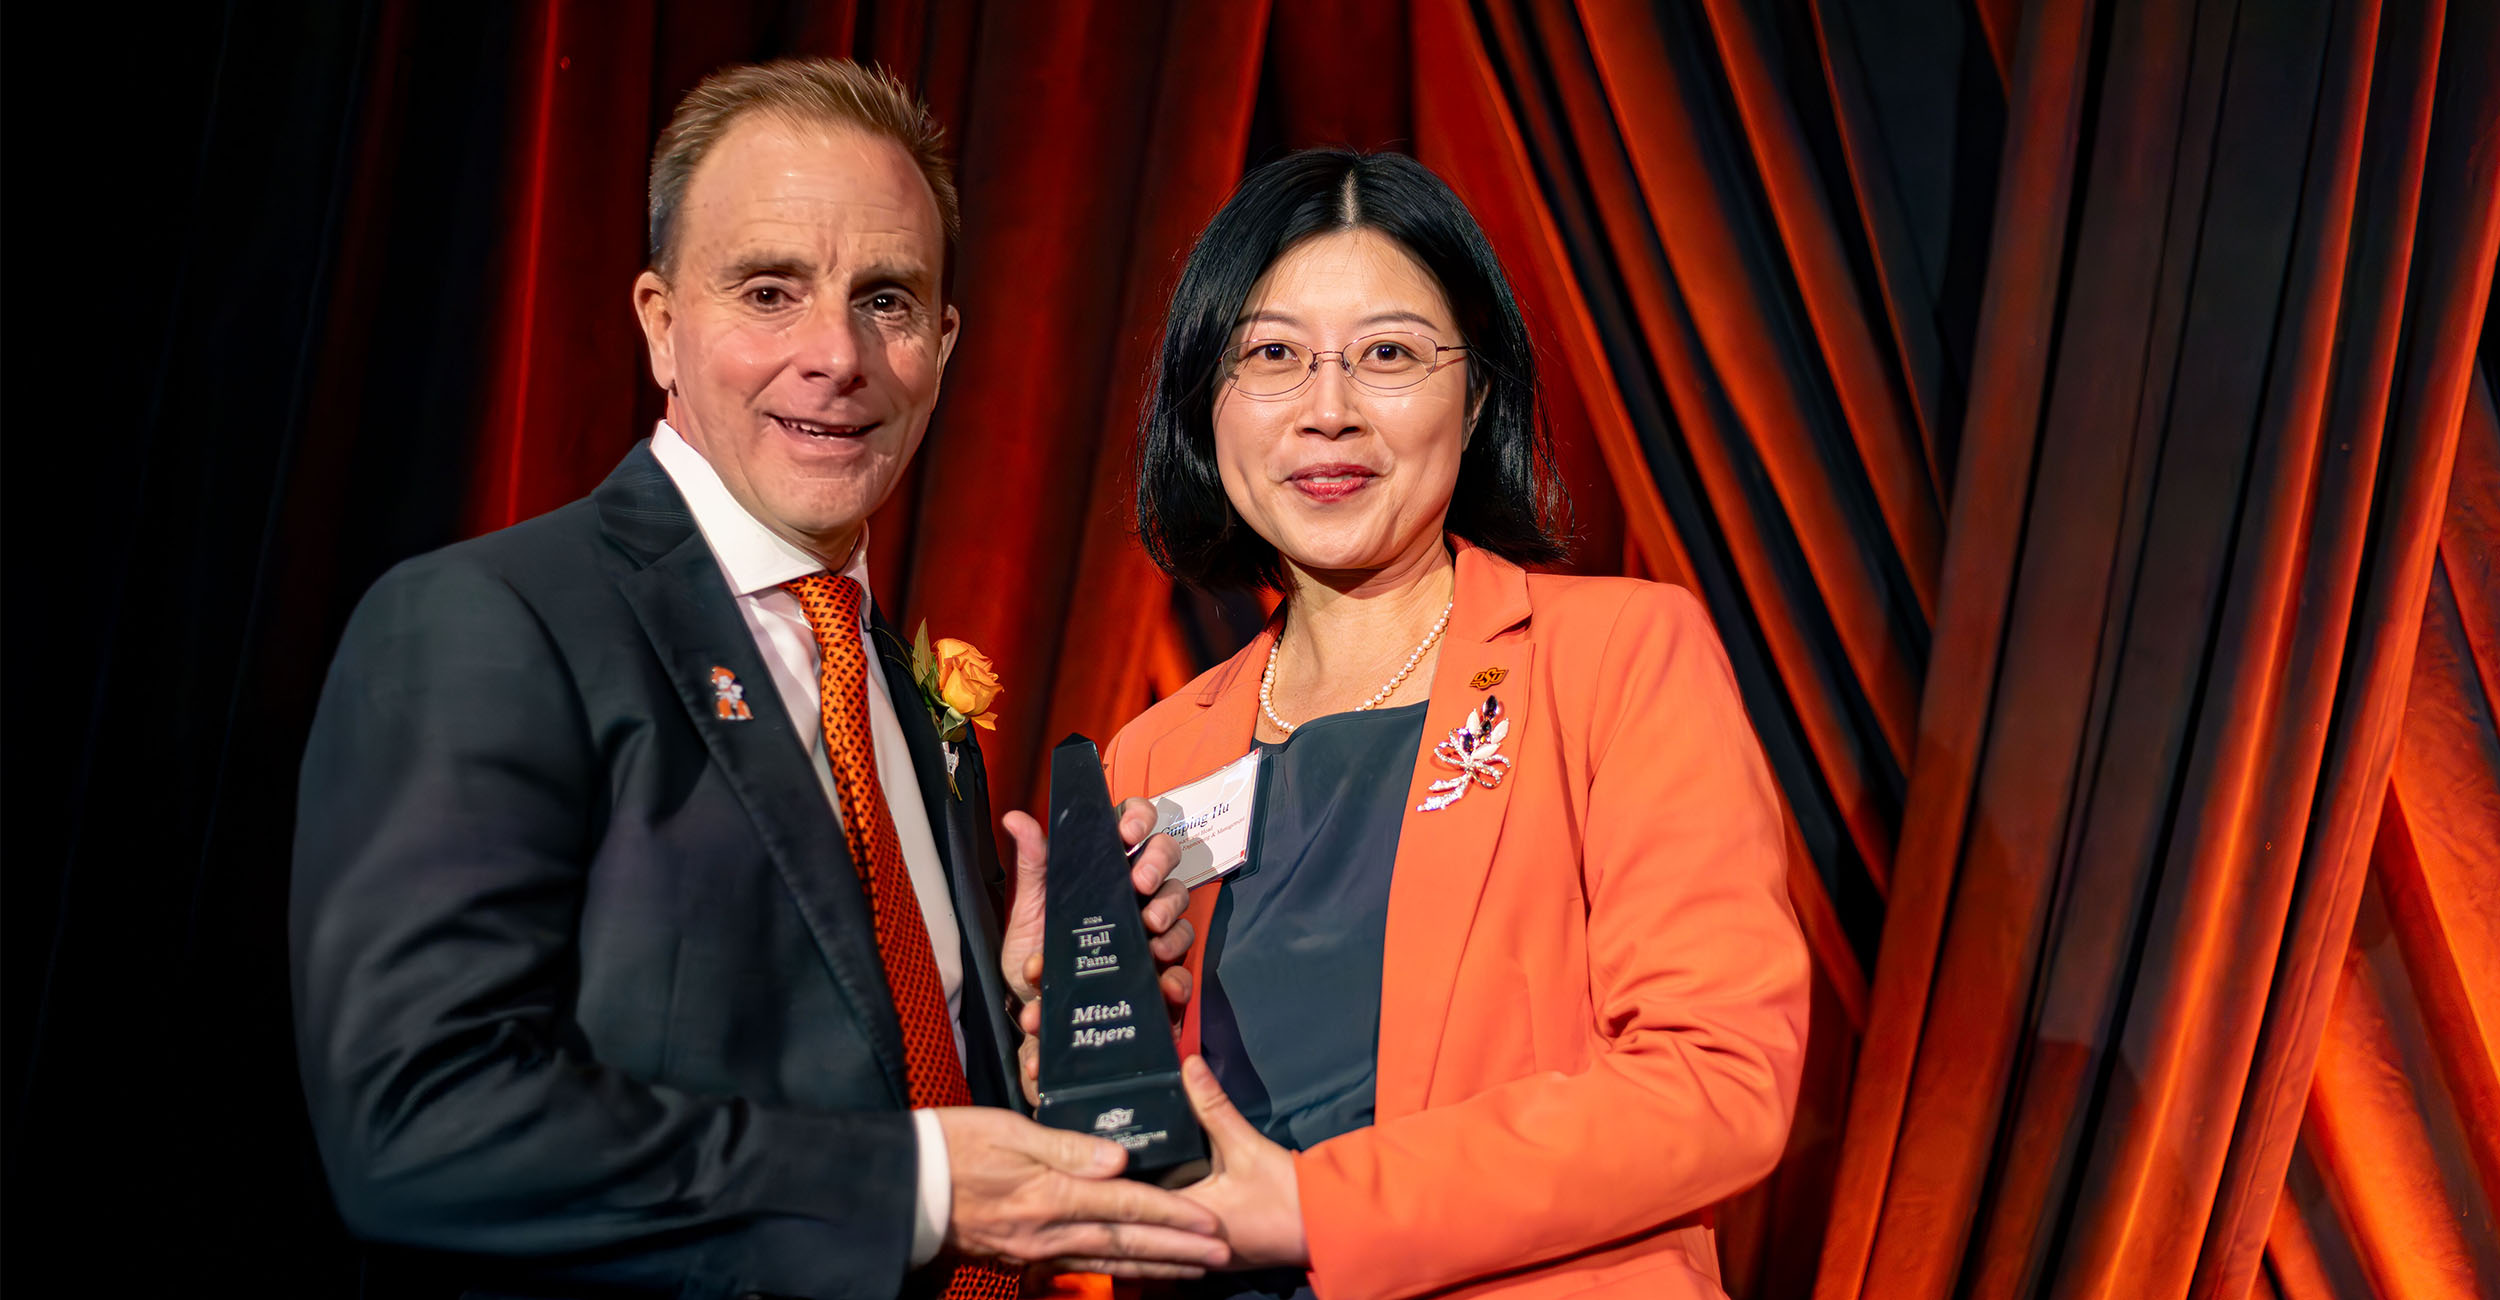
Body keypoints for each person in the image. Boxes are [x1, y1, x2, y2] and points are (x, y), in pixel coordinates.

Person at [291, 59, 1229, 1298]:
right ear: (658, 322)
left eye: (887, 300)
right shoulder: (485, 622)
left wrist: (1024, 1020)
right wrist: (922, 1190)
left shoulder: (902, 689)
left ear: (943, 349)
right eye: (769, 290)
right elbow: (419, 1127)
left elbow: (862, 1051)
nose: (835, 355)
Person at [1068, 149, 1813, 1297]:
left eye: (1388, 355)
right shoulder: (1158, 748)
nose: (1328, 410)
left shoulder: (1614, 657)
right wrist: (1061, 1023)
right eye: (1271, 355)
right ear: (1203, 402)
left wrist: (1320, 1210)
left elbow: (1717, 1079)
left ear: (1475, 396)